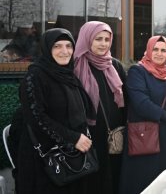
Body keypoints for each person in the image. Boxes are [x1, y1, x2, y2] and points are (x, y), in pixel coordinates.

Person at [17, 28, 94, 194]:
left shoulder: (68, 74)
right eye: (57, 46)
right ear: (47, 48)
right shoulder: (35, 76)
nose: (64, 51)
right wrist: (73, 138)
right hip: (44, 161)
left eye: (68, 46)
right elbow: (37, 118)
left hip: (70, 156)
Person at [119, 36, 166, 194]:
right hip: (142, 137)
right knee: (141, 181)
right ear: (148, 50)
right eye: (155, 49)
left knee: (159, 182)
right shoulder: (138, 71)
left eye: (163, 50)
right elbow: (141, 103)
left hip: (163, 136)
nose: (159, 53)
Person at [74, 21, 127, 194]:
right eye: (98, 39)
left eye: (106, 39)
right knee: (93, 182)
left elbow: (126, 98)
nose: (103, 43)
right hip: (89, 137)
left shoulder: (115, 65)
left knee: (115, 178)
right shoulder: (75, 66)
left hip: (114, 136)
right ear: (87, 39)